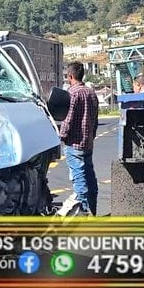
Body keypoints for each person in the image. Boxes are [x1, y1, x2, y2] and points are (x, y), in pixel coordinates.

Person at [58, 62, 99, 216]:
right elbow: (95, 119)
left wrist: (62, 136)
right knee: (90, 178)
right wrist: (92, 136)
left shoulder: (72, 93)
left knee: (79, 180)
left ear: (70, 76)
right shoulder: (91, 93)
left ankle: (84, 215)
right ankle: (93, 211)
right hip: (88, 143)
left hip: (74, 144)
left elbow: (68, 119)